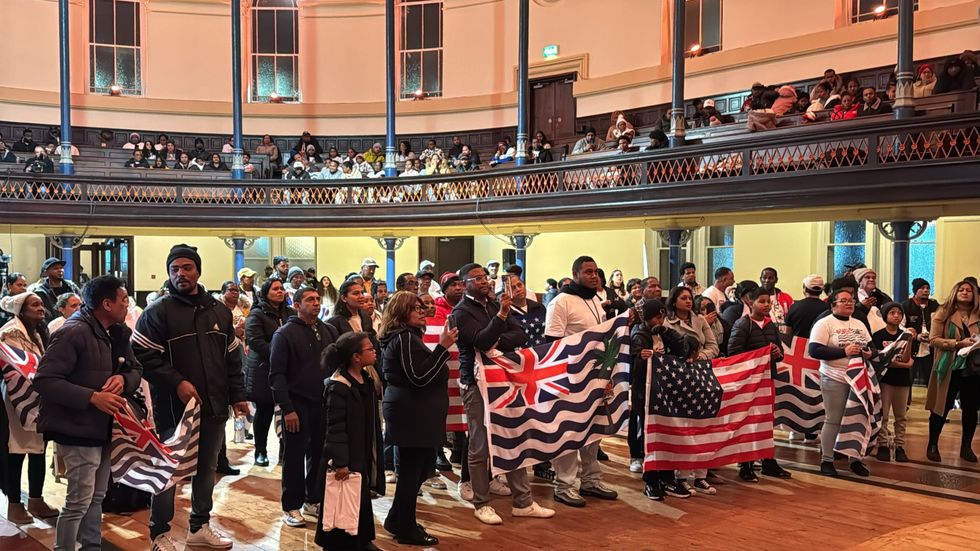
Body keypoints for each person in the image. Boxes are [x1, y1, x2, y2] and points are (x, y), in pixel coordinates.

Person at [132, 244, 248, 551]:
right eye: (175, 269)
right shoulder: (157, 312)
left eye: (186, 267)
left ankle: (199, 527)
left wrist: (238, 396)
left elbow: (232, 360)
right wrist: (177, 382)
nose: (181, 274)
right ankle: (159, 534)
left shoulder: (219, 311)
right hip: (174, 410)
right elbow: (141, 355)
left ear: (198, 270)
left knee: (207, 468)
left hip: (213, 406)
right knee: (168, 472)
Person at [33, 275, 141, 551]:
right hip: (77, 426)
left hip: (105, 427)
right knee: (78, 500)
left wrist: (123, 380)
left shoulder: (116, 332)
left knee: (97, 496)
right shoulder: (73, 332)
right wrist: (92, 397)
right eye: (123, 300)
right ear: (106, 304)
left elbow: (135, 369)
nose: (127, 306)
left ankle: (92, 546)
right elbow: (45, 380)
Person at [453, 263, 555, 524]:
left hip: (503, 378)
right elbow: (481, 341)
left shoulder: (492, 305)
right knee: (479, 445)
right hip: (476, 383)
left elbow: (519, 334)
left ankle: (523, 502)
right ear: (464, 284)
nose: (484, 281)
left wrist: (496, 335)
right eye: (476, 278)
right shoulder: (461, 312)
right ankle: (481, 503)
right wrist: (500, 320)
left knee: (513, 437)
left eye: (485, 277)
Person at [379, 292, 455, 545]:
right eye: (415, 308)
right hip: (410, 411)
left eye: (422, 306)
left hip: (417, 411)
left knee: (421, 468)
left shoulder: (409, 337)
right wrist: (443, 347)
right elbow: (419, 377)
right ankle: (406, 529)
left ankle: (397, 519)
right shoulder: (403, 338)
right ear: (401, 312)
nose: (422, 310)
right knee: (413, 471)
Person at [545, 256, 618, 507]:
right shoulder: (560, 302)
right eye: (588, 272)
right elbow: (551, 344)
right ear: (575, 274)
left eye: (596, 271)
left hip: (596, 376)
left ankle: (590, 480)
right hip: (570, 377)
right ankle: (564, 485)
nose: (594, 275)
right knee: (570, 432)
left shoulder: (596, 300)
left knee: (593, 430)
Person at [270, 287, 338, 528]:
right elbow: (276, 375)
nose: (316, 303)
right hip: (296, 404)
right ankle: (291, 506)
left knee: (320, 454)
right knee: (295, 456)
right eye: (310, 300)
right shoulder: (284, 334)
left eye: (318, 299)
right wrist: (286, 408)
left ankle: (313, 499)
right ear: (296, 305)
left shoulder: (328, 331)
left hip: (323, 402)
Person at [314, 331, 384, 550]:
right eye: (370, 349)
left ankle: (362, 539)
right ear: (355, 356)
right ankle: (339, 544)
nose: (374, 352)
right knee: (340, 500)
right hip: (345, 454)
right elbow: (335, 427)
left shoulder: (365, 379)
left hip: (360, 450)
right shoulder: (338, 386)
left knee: (359, 497)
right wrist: (340, 461)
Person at [0, 291, 59, 524]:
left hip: (40, 396)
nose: (41, 308)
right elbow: (14, 365)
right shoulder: (9, 332)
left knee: (39, 449)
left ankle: (36, 499)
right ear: (21, 310)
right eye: (34, 304)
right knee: (16, 450)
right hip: (16, 398)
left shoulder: (38, 332)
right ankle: (14, 504)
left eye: (42, 304)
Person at [727, 287, 792, 481]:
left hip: (767, 379)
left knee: (765, 421)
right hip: (748, 382)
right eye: (761, 301)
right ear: (750, 303)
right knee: (748, 422)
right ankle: (745, 464)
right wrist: (759, 356)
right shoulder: (742, 325)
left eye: (768, 302)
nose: (766, 305)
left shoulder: (770, 325)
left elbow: (780, 351)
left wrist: (777, 354)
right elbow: (733, 355)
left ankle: (767, 461)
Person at [808, 288, 874, 478]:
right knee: (834, 419)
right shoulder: (825, 323)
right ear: (833, 304)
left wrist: (870, 353)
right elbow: (815, 351)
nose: (849, 303)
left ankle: (855, 459)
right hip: (834, 377)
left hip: (859, 378)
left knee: (857, 418)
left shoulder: (859, 323)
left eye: (851, 300)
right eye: (844, 300)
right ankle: (827, 460)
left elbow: (872, 348)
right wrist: (843, 352)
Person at [629, 300, 688, 498]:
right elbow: (633, 368)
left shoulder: (662, 332)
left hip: (665, 394)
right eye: (656, 317)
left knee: (667, 434)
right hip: (645, 395)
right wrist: (641, 358)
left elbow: (683, 349)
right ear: (646, 318)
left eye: (662, 317)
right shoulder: (639, 336)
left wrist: (667, 331)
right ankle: (651, 480)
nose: (659, 320)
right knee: (650, 438)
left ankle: (667, 477)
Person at [925, 280, 980, 464]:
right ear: (955, 292)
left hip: (973, 368)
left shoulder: (978, 313)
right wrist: (957, 344)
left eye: (969, 290)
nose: (965, 293)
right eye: (961, 290)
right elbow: (933, 339)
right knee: (942, 406)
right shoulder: (943, 312)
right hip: (948, 366)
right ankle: (932, 445)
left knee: (971, 409)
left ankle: (966, 447)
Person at [245, 278, 289, 467]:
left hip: (287, 369)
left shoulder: (290, 312)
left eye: (282, 289)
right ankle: (260, 450)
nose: (280, 292)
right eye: (275, 289)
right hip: (264, 368)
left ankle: (284, 449)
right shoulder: (257, 313)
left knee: (287, 410)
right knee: (264, 411)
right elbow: (255, 341)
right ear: (266, 292)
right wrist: (278, 354)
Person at [873, 302, 916, 463]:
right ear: (885, 316)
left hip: (902, 380)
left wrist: (909, 340)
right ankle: (883, 444)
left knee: (901, 415)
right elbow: (882, 360)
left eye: (899, 313)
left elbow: (907, 358)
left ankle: (899, 445)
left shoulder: (905, 335)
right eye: (892, 313)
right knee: (883, 414)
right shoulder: (878, 336)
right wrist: (902, 363)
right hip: (885, 380)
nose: (896, 315)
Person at [663, 286, 719, 360]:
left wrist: (702, 356)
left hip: (703, 361)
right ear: (673, 302)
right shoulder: (667, 323)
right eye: (683, 298)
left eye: (690, 298)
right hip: (680, 363)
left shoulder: (700, 319)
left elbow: (713, 346)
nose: (688, 301)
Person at [902, 278, 939, 386]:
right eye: (922, 288)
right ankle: (906, 401)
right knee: (908, 379)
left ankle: (931, 401)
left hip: (930, 347)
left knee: (931, 378)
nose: (926, 290)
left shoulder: (935, 305)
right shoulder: (905, 306)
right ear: (915, 290)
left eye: (928, 288)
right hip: (911, 347)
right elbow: (900, 327)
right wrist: (915, 335)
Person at [28, 257, 82, 324]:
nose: (60, 270)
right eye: (55, 268)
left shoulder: (71, 287)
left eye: (61, 268)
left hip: (75, 323)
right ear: (46, 272)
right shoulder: (40, 292)